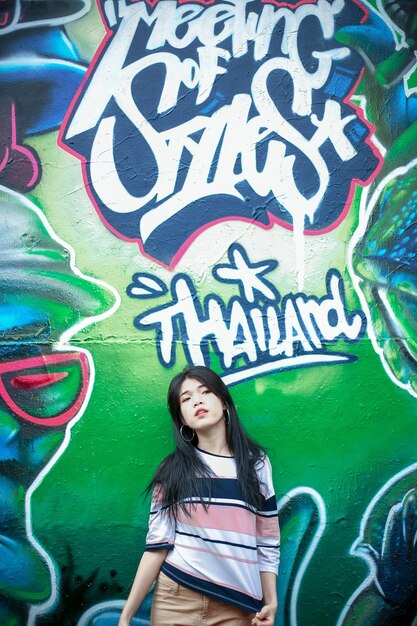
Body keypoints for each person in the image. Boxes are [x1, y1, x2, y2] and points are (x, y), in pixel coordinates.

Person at [119, 365, 279, 626]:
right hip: (177, 598)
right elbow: (157, 545)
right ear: (181, 418)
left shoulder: (256, 464)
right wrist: (126, 617)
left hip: (238, 605)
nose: (198, 401)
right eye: (186, 398)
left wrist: (271, 602)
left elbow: (267, 541)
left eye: (205, 392)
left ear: (225, 403)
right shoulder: (171, 470)